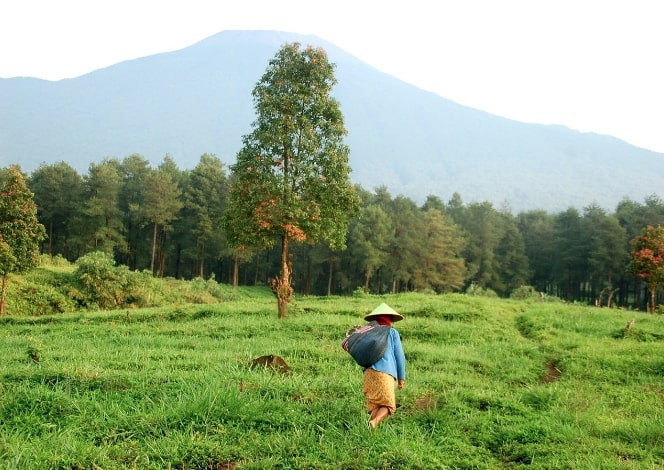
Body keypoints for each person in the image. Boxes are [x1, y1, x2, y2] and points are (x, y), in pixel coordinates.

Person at [362, 302, 406, 430]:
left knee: (376, 405)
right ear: (389, 319)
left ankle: (369, 432)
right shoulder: (392, 332)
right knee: (389, 406)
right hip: (385, 373)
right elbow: (400, 356)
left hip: (368, 373)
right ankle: (373, 423)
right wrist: (401, 378)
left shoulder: (368, 332)